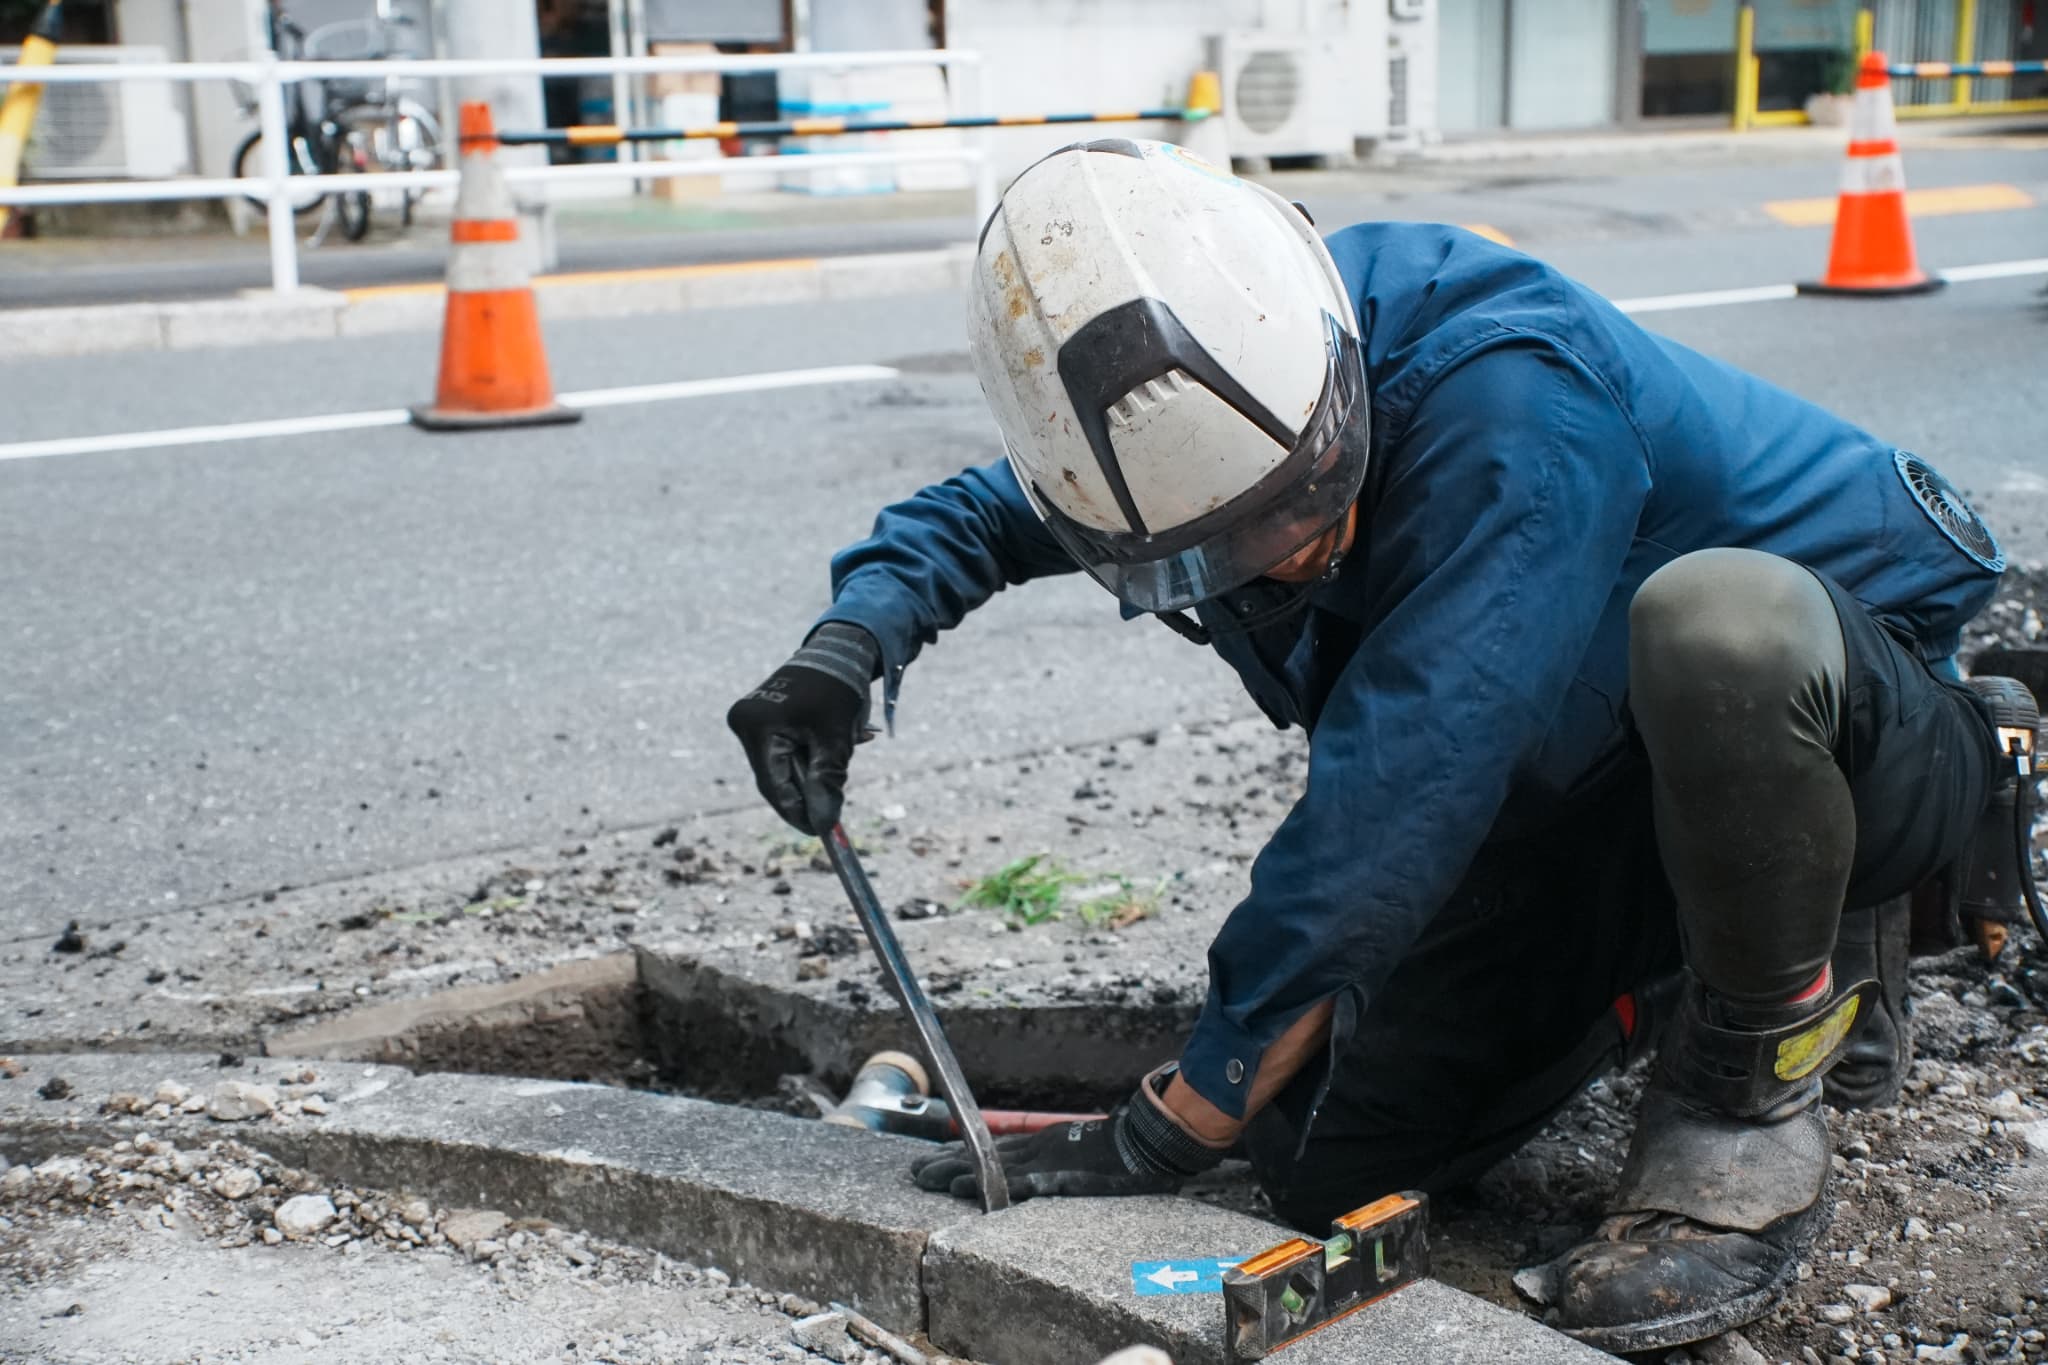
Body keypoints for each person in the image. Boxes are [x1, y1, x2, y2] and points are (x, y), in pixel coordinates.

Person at [726, 139, 2028, 1352]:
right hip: (1594, 767)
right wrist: (851, 646)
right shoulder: (1167, 416)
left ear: (1332, 372)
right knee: (1331, 1158)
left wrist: (1178, 1116)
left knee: (1717, 631)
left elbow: (1400, 789)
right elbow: (988, 511)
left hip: (1846, 692)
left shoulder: (1505, 396)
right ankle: (1686, 949)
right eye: (1228, 547)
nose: (1285, 554)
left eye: (1302, 500)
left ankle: (1755, 1071)